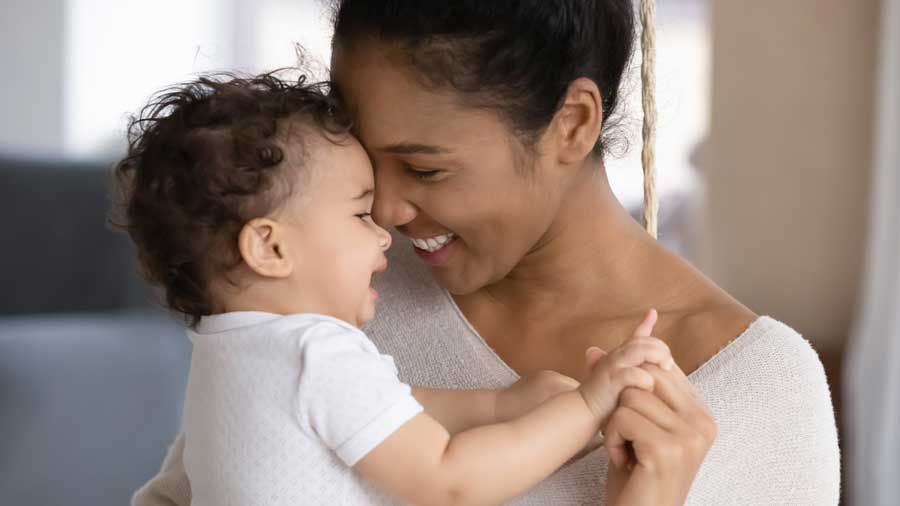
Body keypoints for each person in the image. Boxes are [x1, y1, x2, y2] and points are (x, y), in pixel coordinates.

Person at [133, 1, 841, 505]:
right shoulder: (328, 292)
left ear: (572, 124)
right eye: (365, 165)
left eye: (426, 169)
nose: (383, 213)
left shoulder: (757, 391)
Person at [113, 72, 680, 506]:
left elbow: (386, 406)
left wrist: (500, 404)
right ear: (270, 247)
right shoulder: (316, 350)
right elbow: (450, 478)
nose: (385, 232)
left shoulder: (227, 354)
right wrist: (586, 406)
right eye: (360, 214)